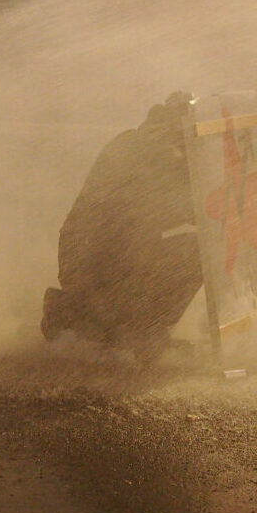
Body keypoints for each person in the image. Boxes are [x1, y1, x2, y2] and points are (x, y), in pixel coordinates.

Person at [41, 93, 202, 357]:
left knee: (171, 248)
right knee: (195, 251)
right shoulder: (152, 149)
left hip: (100, 250)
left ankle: (117, 322)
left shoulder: (139, 142)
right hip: (94, 256)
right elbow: (158, 209)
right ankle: (128, 326)